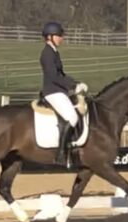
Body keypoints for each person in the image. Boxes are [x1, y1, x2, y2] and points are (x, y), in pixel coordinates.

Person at [40, 21, 88, 165]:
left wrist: (75, 85)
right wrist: (73, 85)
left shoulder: (54, 52)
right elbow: (54, 76)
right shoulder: (47, 54)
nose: (62, 38)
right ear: (50, 37)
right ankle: (61, 153)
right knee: (72, 117)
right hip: (52, 91)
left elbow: (61, 74)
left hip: (59, 90)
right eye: (59, 35)